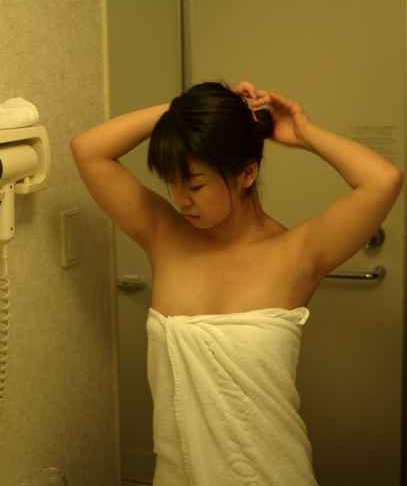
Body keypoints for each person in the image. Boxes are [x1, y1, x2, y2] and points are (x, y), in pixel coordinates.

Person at [70, 80, 403, 485]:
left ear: (247, 173)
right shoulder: (165, 237)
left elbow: (383, 180)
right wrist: (188, 112)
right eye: (172, 183)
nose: (180, 199)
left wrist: (305, 134)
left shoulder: (296, 254)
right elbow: (88, 150)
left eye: (195, 185)